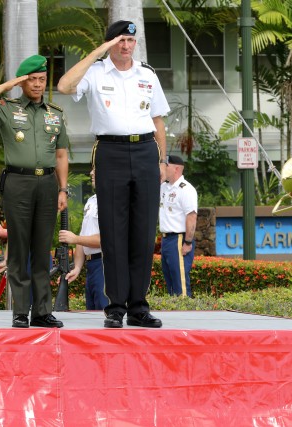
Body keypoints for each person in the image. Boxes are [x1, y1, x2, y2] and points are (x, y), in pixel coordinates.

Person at [57, 20, 170, 328]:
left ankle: (138, 307)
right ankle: (116, 306)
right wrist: (97, 53)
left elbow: (158, 121)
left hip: (146, 151)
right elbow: (64, 87)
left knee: (144, 233)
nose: (126, 46)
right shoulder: (94, 73)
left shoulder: (147, 74)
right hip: (111, 152)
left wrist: (162, 160)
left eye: (130, 41)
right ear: (109, 44)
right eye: (120, 40)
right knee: (114, 231)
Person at [0, 54, 69, 328]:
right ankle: (21, 311)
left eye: (41, 80)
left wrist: (63, 189)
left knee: (41, 248)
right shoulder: (7, 108)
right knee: (19, 248)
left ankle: (42, 312)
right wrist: (5, 86)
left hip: (48, 184)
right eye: (32, 80)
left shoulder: (55, 114)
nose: (37, 85)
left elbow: (61, 155)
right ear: (23, 82)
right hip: (18, 183)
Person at [60, 169, 108, 310]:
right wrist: (78, 267)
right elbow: (83, 234)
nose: (92, 173)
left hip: (104, 264)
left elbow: (105, 239)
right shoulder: (91, 201)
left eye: (96, 168)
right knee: (91, 312)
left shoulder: (111, 202)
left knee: (103, 311)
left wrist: (75, 239)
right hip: (91, 266)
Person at [159, 155, 198, 297]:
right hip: (166, 239)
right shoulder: (163, 187)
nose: (162, 168)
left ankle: (186, 314)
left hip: (179, 238)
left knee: (180, 282)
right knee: (169, 280)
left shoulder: (186, 189)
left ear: (176, 168)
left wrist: (187, 242)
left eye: (166, 165)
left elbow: (192, 217)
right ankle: (175, 312)